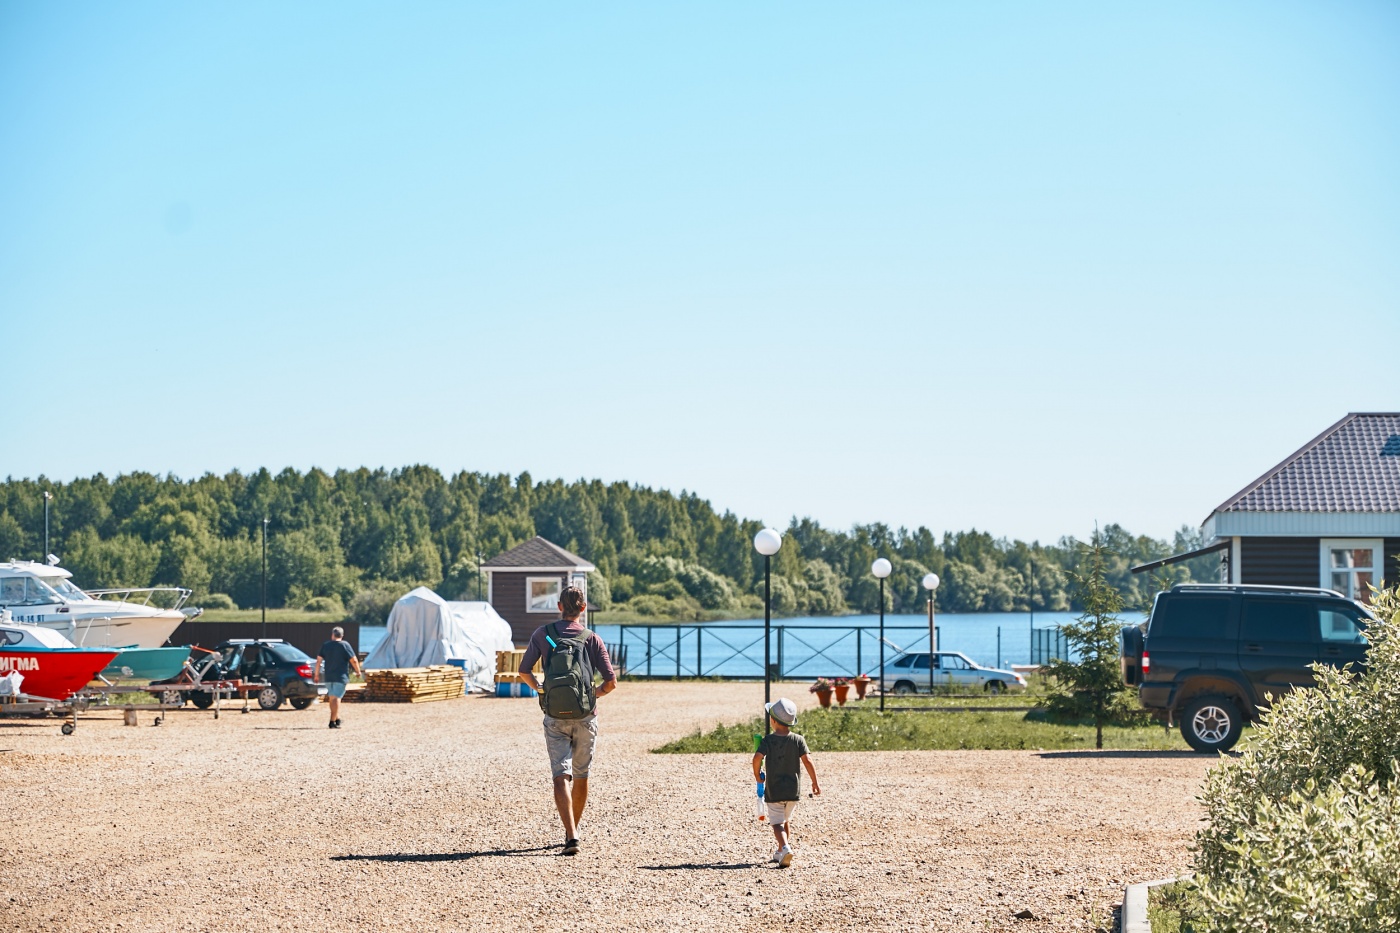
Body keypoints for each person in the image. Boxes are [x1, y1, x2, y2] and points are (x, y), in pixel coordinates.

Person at [518, 585, 617, 856]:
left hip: (554, 715)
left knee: (560, 775)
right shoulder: (591, 638)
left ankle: (571, 834)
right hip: (586, 716)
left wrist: (541, 689)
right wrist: (590, 696)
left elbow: (523, 671)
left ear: (559, 606)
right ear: (583, 609)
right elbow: (611, 684)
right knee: (581, 775)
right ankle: (573, 829)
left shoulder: (543, 634)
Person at [751, 698, 821, 867]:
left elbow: (757, 758)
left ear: (773, 721)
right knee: (785, 820)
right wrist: (815, 782)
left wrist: (757, 775)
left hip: (775, 790)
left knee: (776, 823)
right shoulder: (798, 740)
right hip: (793, 791)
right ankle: (780, 851)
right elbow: (808, 760)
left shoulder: (768, 740)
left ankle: (785, 847)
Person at [315, 626, 364, 730]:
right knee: (337, 698)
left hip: (328, 676)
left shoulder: (326, 645)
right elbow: (354, 660)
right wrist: (358, 671)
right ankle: (332, 722)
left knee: (332, 698)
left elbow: (318, 660)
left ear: (332, 635)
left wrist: (316, 674)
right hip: (340, 676)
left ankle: (336, 718)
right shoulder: (345, 645)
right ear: (342, 635)